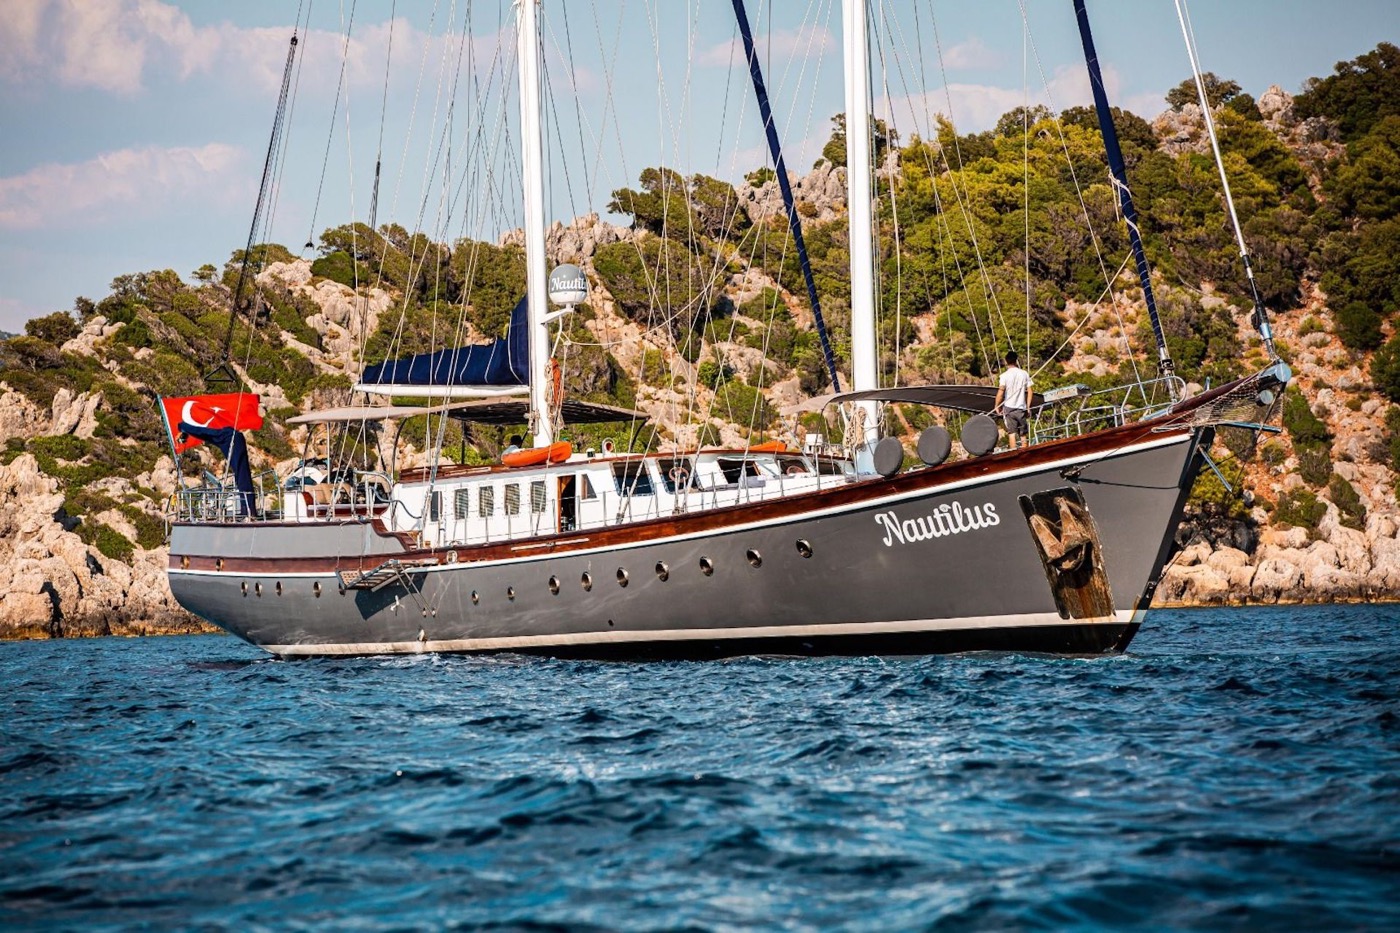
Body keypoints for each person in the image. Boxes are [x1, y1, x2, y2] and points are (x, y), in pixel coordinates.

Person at [992, 350, 1033, 450]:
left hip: (1009, 408)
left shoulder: (1004, 376)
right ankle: (1025, 451)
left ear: (1006, 361)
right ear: (1016, 360)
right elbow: (1030, 391)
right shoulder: (1024, 374)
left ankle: (1013, 451)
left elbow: (1001, 392)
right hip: (1021, 407)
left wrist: (997, 406)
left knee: (1011, 433)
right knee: (1023, 433)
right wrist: (1028, 407)